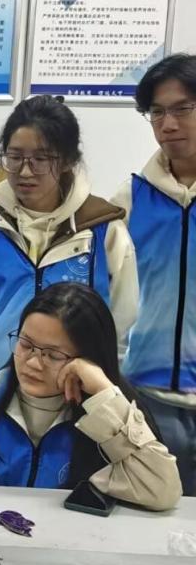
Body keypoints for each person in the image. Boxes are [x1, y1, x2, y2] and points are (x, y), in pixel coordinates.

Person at [0, 283, 181, 511]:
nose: (33, 363)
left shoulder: (111, 410)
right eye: (25, 345)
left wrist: (104, 393)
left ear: (87, 359)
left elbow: (164, 492)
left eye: (53, 355)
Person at [0, 95, 138, 383]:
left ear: (68, 160)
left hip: (70, 392)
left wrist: (103, 384)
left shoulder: (103, 231)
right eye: (15, 157)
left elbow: (124, 323)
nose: (25, 171)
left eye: (41, 159)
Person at [113, 53, 196, 495]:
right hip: (146, 395)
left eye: (183, 109)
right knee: (153, 517)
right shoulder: (130, 198)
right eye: (157, 112)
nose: (169, 124)